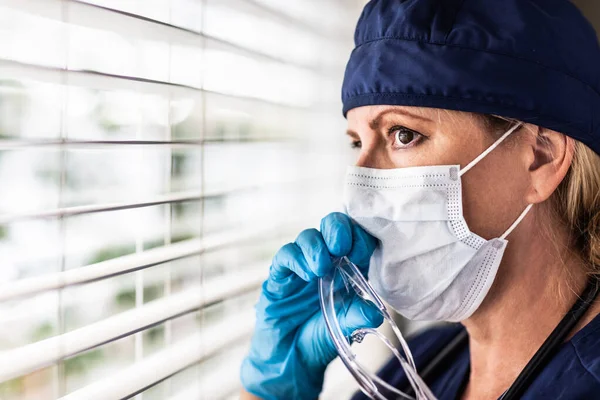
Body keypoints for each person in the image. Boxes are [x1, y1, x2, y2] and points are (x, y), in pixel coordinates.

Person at [239, 0, 600, 399]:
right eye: (358, 142)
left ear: (540, 158)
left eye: (403, 134)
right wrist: (270, 393)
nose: (361, 183)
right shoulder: (421, 364)